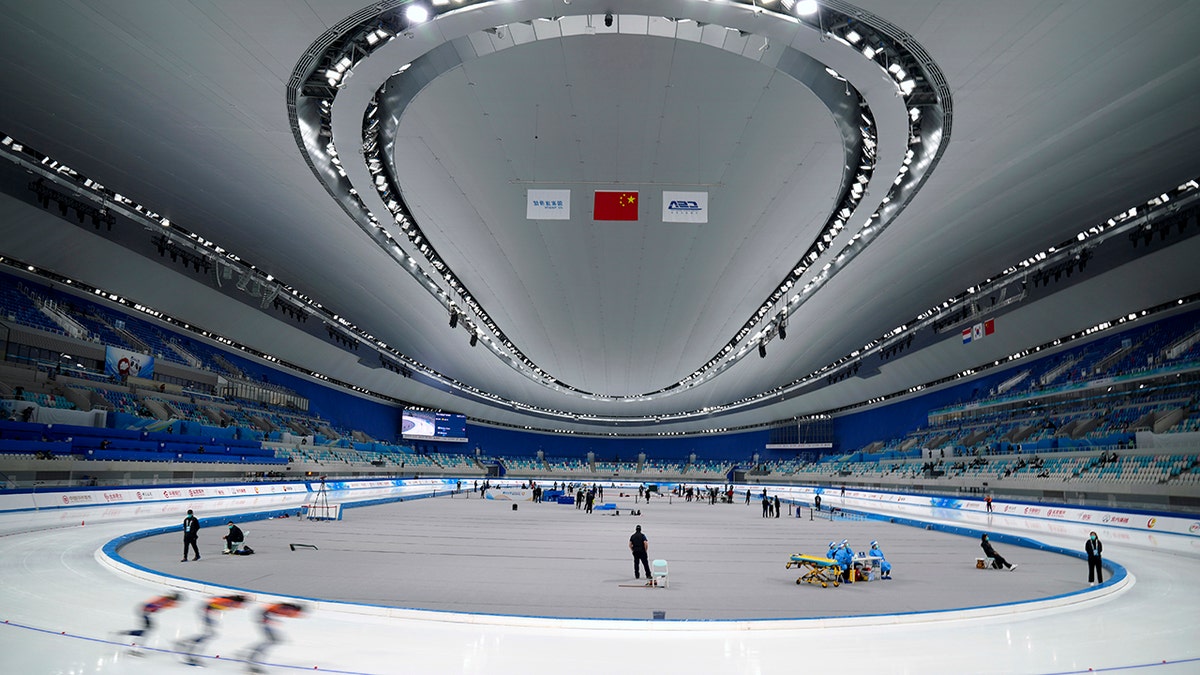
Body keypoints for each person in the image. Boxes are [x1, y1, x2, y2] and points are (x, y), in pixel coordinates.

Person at [176, 594, 247, 666]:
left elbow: (213, 602)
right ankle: (189, 652)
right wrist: (209, 617)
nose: (241, 606)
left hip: (205, 611)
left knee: (210, 634)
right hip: (204, 611)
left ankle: (186, 644)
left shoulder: (229, 602)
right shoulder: (228, 602)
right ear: (238, 602)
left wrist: (213, 614)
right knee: (209, 634)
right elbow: (209, 605)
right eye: (241, 604)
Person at [245, 602, 305, 673]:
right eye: (298, 613)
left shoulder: (287, 608)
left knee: (271, 641)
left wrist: (272, 620)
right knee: (271, 641)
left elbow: (272, 611)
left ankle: (251, 656)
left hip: (263, 616)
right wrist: (268, 619)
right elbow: (270, 611)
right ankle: (252, 660)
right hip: (262, 617)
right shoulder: (288, 608)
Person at [117, 591, 182, 643]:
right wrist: (149, 611)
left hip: (145, 611)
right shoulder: (166, 601)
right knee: (146, 631)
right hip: (145, 611)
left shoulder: (166, 600)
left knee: (147, 630)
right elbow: (154, 605)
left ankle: (133, 640)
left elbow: (156, 605)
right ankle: (133, 642)